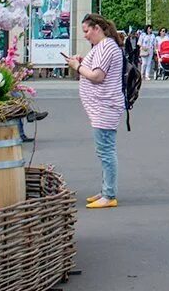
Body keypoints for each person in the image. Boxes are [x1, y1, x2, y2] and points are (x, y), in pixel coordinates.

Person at [68, 14, 124, 209]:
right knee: (104, 151)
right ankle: (106, 190)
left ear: (97, 28)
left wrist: (77, 66)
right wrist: (82, 62)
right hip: (103, 106)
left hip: (105, 106)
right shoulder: (106, 47)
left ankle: (109, 195)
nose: (85, 36)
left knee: (106, 151)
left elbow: (97, 76)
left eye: (86, 31)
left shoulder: (106, 47)